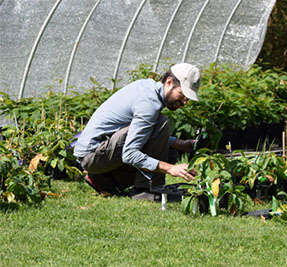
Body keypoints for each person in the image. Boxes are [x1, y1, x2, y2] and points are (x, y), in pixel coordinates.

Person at [73, 63, 201, 199]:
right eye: (182, 94)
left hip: (98, 152)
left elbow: (141, 132)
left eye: (187, 98)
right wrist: (170, 168)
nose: (185, 102)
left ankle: (104, 180)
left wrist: (178, 143)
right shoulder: (149, 104)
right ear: (169, 82)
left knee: (167, 146)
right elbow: (130, 154)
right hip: (92, 156)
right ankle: (146, 191)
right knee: (162, 126)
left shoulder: (148, 87)